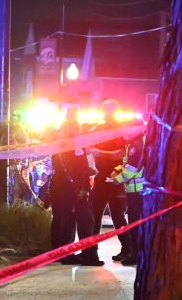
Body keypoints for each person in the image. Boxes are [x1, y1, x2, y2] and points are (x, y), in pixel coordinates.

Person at [49, 118, 102, 266]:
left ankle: (64, 254)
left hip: (61, 188)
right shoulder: (75, 147)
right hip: (74, 189)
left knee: (65, 220)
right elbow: (78, 169)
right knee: (86, 221)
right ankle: (88, 256)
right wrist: (90, 174)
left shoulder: (59, 146)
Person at [87, 99, 132, 263]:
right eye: (105, 110)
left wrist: (99, 152)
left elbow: (120, 154)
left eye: (109, 110)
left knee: (117, 216)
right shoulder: (99, 128)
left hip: (114, 176)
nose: (107, 113)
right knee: (95, 215)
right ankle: (91, 250)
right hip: (101, 176)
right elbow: (87, 142)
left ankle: (128, 249)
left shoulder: (120, 131)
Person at [109, 135, 145, 267]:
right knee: (134, 223)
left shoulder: (137, 145)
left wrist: (117, 180)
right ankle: (134, 253)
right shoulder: (132, 145)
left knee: (135, 225)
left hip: (137, 191)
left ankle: (135, 255)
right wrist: (116, 170)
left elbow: (132, 169)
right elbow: (125, 164)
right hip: (134, 190)